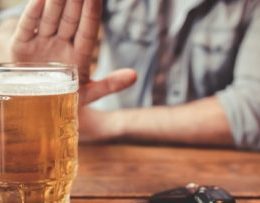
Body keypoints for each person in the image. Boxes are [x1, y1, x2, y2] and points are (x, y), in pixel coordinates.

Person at [1, 0, 260, 150]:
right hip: (94, 150)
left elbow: (252, 108)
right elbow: (12, 21)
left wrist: (105, 124)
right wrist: (26, 66)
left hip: (212, 160)